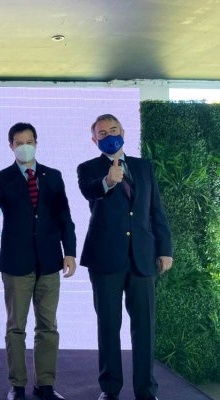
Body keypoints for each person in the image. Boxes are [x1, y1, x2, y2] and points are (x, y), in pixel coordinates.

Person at [77, 114, 173, 400]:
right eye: (102, 133)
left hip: (143, 259)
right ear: (94, 140)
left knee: (144, 327)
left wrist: (165, 249)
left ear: (124, 132)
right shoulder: (88, 168)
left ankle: (146, 389)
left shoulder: (144, 167)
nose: (109, 136)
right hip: (105, 259)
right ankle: (110, 388)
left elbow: (156, 210)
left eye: (113, 130)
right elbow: (89, 192)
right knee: (108, 325)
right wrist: (107, 181)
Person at [0, 122, 76, 400]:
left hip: (49, 263)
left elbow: (64, 218)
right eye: (19, 142)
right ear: (11, 145)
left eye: (29, 141)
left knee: (48, 326)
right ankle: (17, 385)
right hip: (16, 263)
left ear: (36, 142)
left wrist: (69, 251)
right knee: (16, 327)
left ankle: (45, 384)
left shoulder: (53, 176)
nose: (25, 146)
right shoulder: (4, 177)